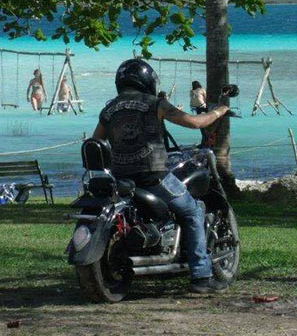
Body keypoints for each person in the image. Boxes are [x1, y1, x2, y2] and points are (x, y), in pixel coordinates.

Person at [91, 59, 232, 294]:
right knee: (193, 211)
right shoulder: (156, 104)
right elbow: (195, 122)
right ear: (147, 81)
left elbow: (96, 143)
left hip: (121, 179)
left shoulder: (109, 109)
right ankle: (201, 276)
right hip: (153, 178)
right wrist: (219, 110)